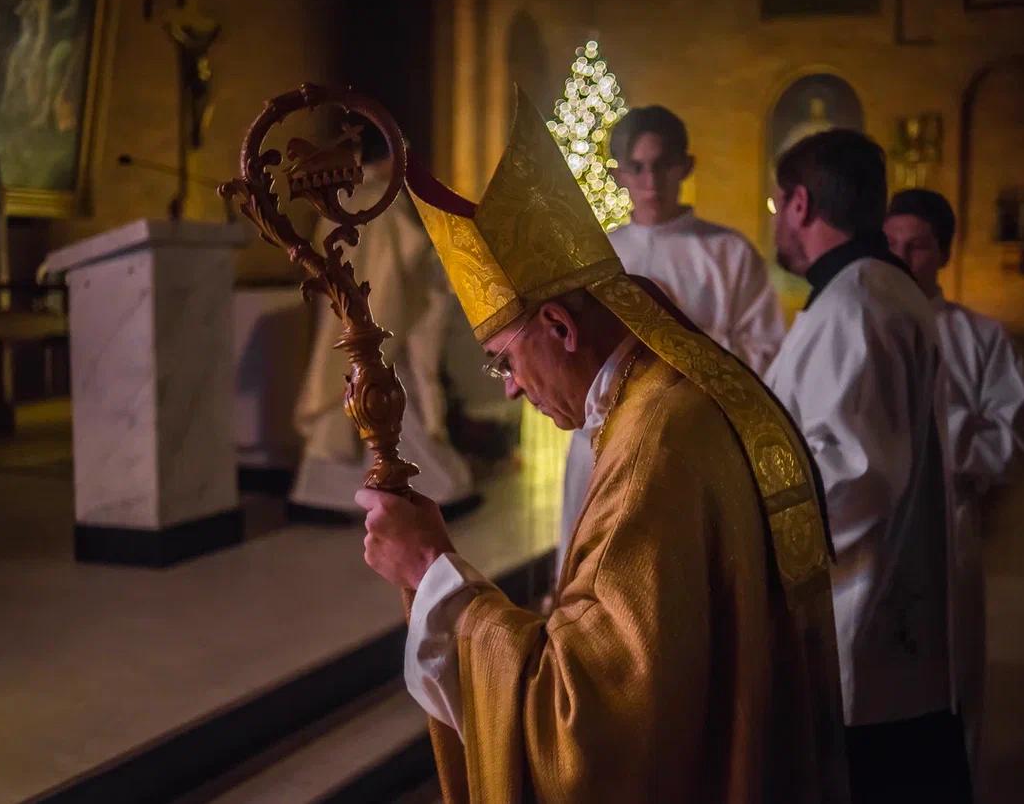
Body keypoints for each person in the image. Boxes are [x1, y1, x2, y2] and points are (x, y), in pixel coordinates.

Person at [355, 89, 848, 802]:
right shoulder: (664, 402)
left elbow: (583, 722)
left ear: (559, 325)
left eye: (503, 358)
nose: (511, 388)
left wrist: (432, 569)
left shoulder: (657, 446)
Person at [763, 131, 970, 802]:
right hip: (880, 620)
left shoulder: (857, 305)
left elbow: (851, 479)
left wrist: (747, 531)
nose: (774, 220)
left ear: (800, 203)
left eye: (775, 204)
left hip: (863, 623)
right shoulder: (872, 291)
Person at [558, 106, 785, 551]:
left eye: (662, 165)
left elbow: (766, 348)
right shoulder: (599, 256)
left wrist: (683, 349)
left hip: (695, 437)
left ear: (685, 166)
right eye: (638, 167)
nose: (651, 181)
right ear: (619, 173)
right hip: (606, 435)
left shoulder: (726, 253)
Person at [885, 188, 1024, 768]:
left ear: (942, 253)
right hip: (874, 529)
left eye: (916, 246)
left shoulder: (979, 338)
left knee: (950, 669)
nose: (901, 259)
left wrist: (948, 430)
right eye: (890, 244)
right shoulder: (861, 327)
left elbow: (1013, 443)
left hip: (950, 526)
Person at [287, 125, 477, 522]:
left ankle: (325, 494)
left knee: (361, 402)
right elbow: (399, 270)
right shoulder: (381, 205)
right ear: (388, 155)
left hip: (349, 321)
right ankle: (436, 488)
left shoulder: (343, 197)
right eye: (401, 155)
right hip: (381, 324)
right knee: (391, 405)